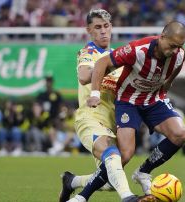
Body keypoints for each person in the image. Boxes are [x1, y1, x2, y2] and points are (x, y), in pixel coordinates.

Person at [59, 9, 154, 202]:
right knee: (111, 153)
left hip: (113, 124)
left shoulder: (117, 56)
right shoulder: (89, 52)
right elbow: (84, 76)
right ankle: (128, 198)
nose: (103, 31)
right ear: (89, 30)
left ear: (111, 27)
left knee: (109, 181)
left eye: (106, 26)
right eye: (97, 27)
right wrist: (105, 66)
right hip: (90, 118)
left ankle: (72, 181)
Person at [87, 21, 185, 195]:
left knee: (181, 135)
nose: (174, 51)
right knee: (125, 154)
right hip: (128, 101)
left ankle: (143, 172)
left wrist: (166, 86)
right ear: (162, 36)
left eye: (178, 47)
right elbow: (102, 63)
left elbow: (171, 76)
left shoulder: (179, 55)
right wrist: (95, 93)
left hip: (154, 101)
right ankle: (82, 194)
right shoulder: (137, 50)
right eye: (172, 46)